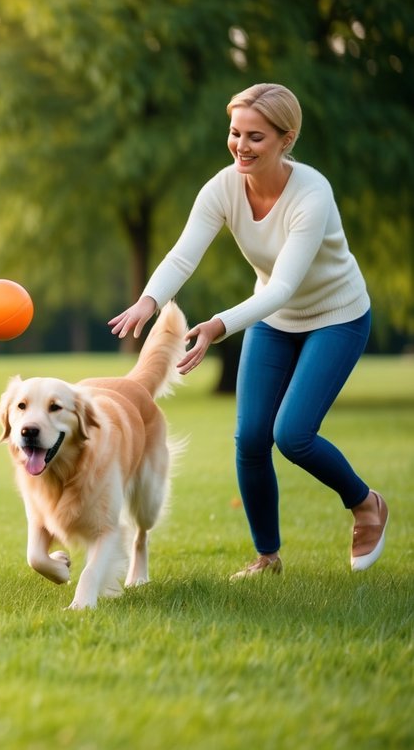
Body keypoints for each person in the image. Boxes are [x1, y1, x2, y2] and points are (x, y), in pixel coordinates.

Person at [108, 82, 388, 580]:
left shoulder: (312, 193)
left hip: (337, 317)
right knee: (251, 437)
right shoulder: (222, 188)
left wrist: (218, 325)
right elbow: (183, 253)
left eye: (255, 136)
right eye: (235, 133)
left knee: (293, 434)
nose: (241, 145)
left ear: (287, 139)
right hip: (274, 322)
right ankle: (267, 557)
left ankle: (366, 504)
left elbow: (282, 285)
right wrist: (148, 302)